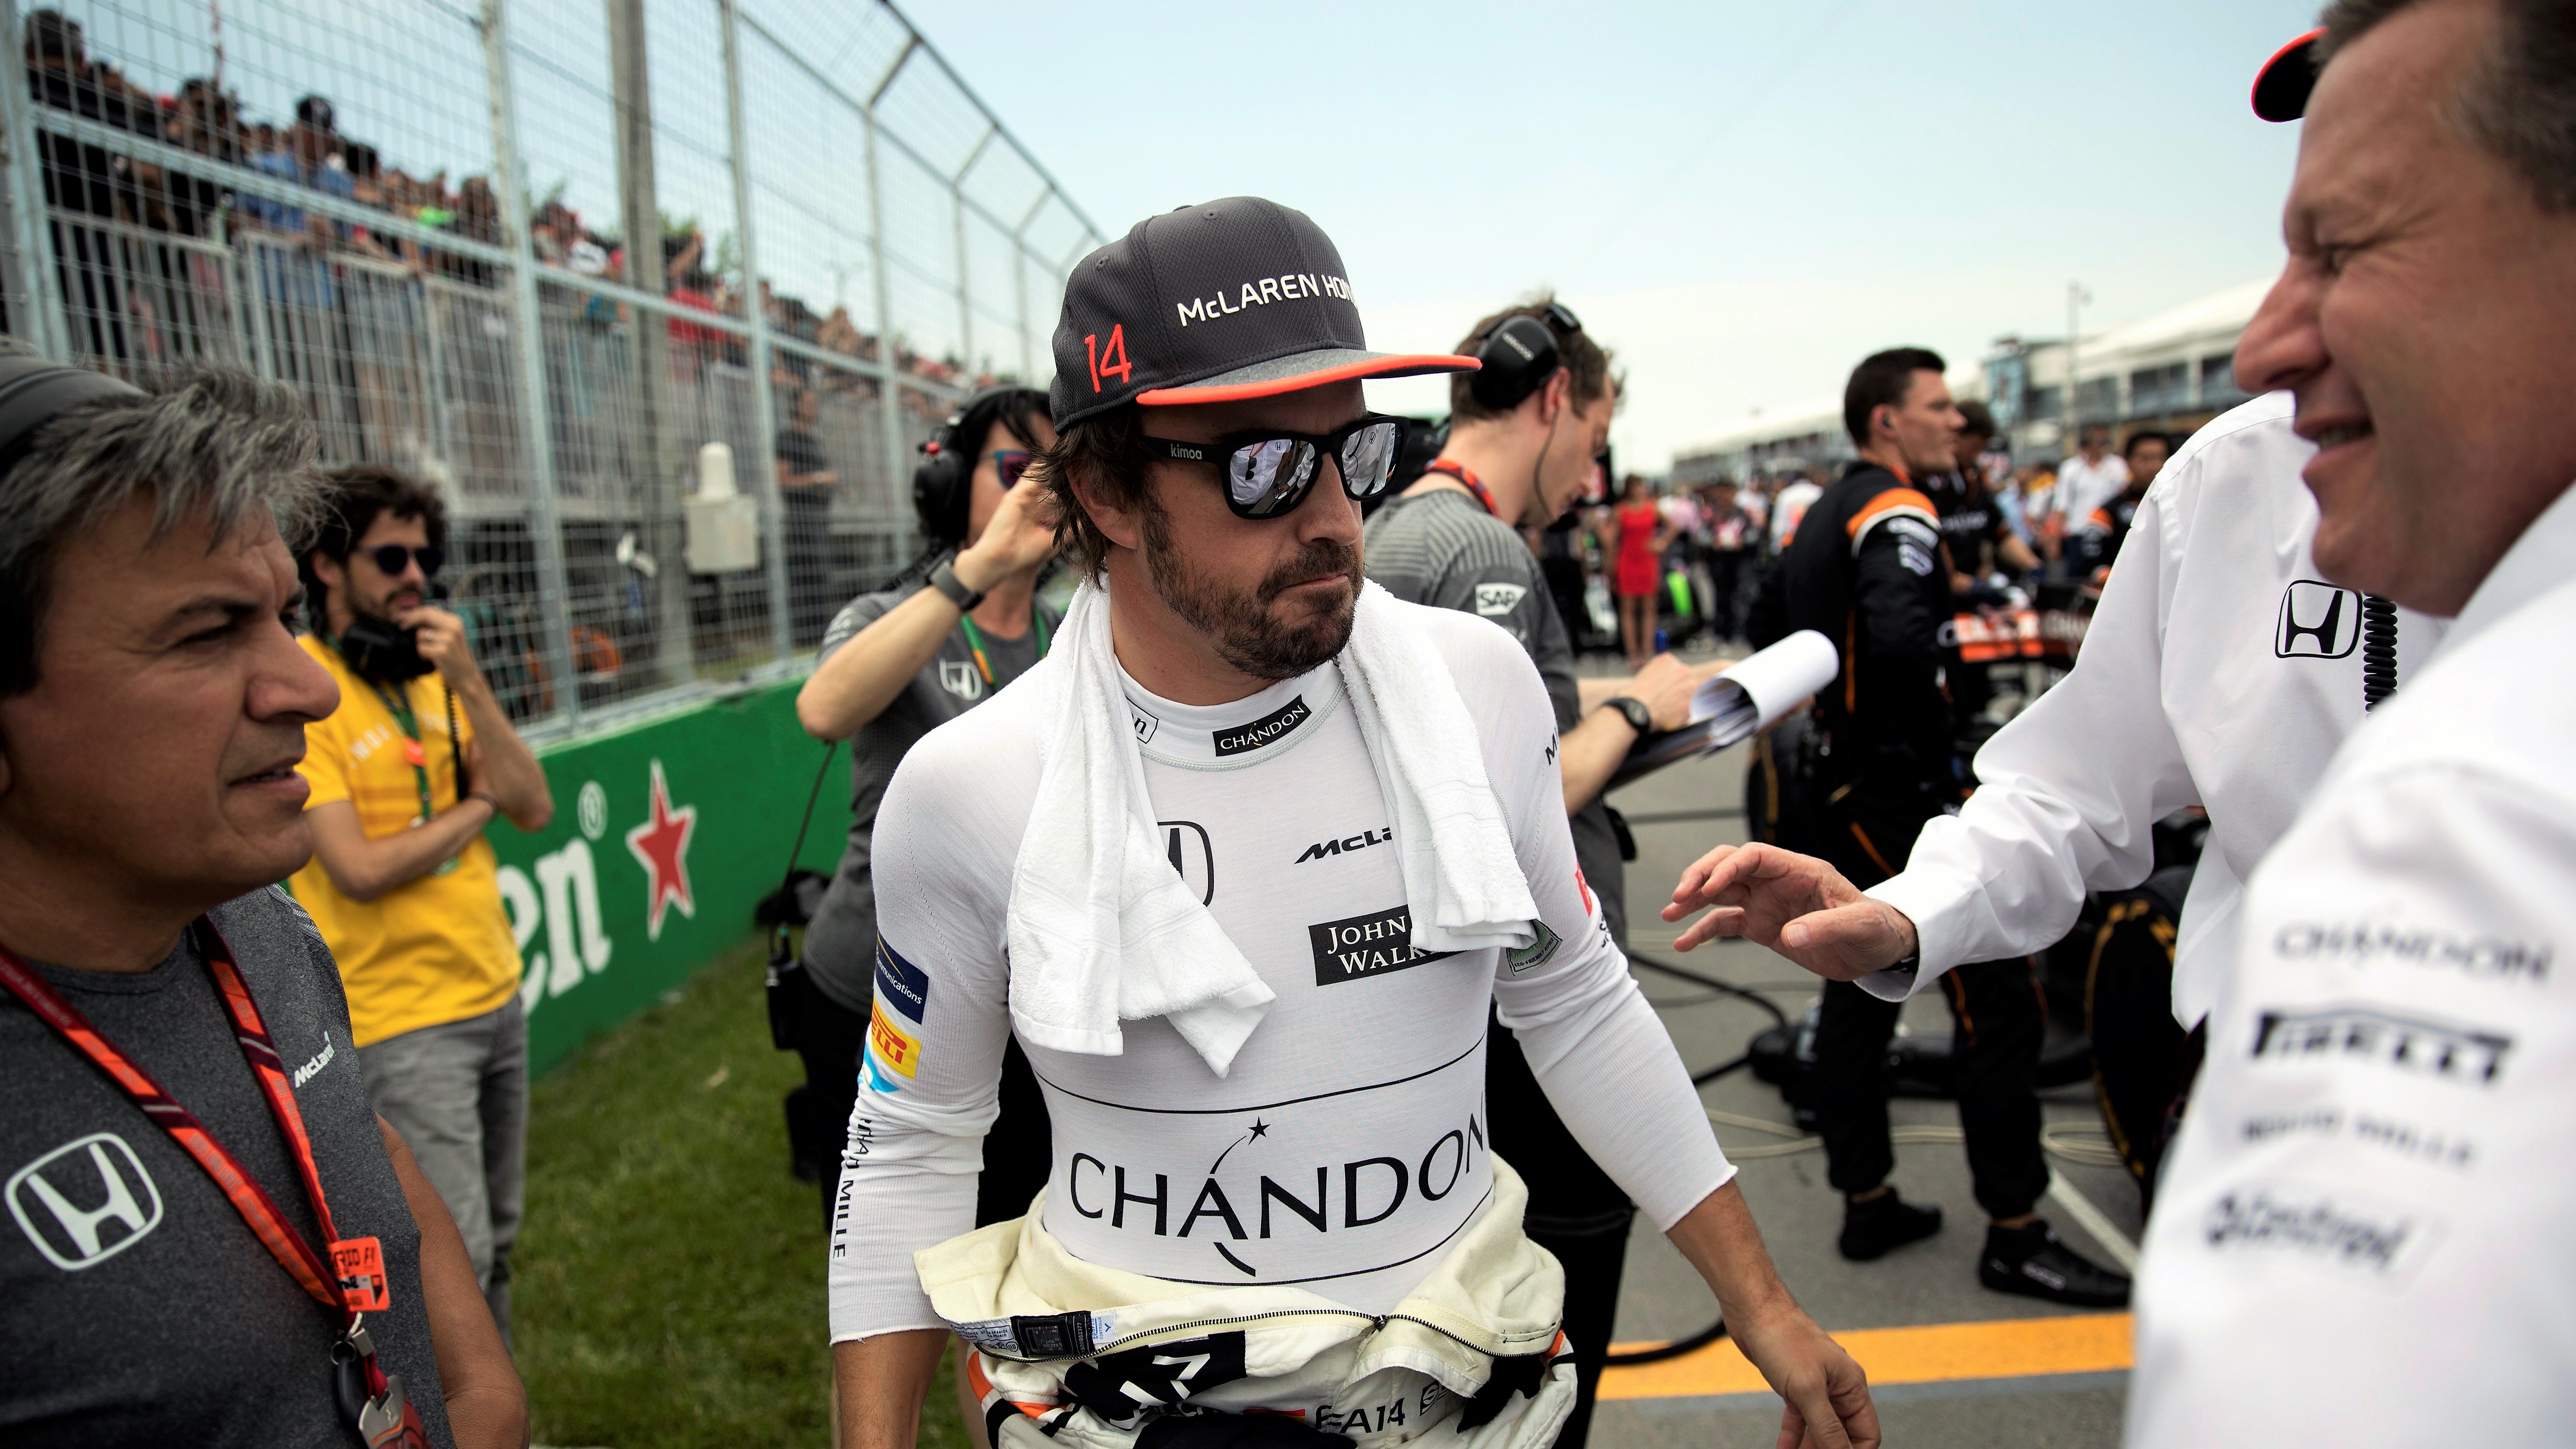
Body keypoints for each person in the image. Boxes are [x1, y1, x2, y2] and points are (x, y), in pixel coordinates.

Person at [828, 196, 1875, 1449]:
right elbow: (912, 1141)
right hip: (1136, 1412)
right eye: (1263, 466)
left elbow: (1574, 998)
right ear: (1103, 489)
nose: (1332, 515)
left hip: (1471, 1393)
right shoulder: (970, 787)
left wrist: (1760, 1302)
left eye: (1356, 451)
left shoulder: (1475, 689)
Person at [2129, 5, 2576, 1441]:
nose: (2261, 345)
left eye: (2344, 248)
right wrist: (1916, 914)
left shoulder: (2479, 809)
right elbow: (2089, 769)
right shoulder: (2227, 481)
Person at [0, 356, 524, 1445]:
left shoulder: (260, 923)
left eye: (283, 616)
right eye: (207, 632)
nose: (309, 686)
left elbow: (356, 1140)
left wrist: (484, 1394)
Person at [1360, 295, 1703, 1447]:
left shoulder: (1396, 525)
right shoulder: (1478, 549)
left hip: (1442, 1011)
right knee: (1546, 1347)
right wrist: (1631, 711)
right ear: (1554, 397)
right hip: (1515, 1009)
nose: (1590, 475)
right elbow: (1511, 801)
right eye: (1594, 440)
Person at [1756, 347, 2128, 1305]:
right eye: (1937, 407)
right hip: (1893, 788)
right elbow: (1896, 640)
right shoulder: (1897, 505)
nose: (1954, 422)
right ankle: (2015, 1228)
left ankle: (1866, 1198)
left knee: (1853, 983)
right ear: (1887, 421)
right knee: (1998, 998)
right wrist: (1939, 741)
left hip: (1831, 781)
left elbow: (1774, 617)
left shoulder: (1821, 509)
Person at [291, 463, 555, 1348]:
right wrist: (475, 808)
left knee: (499, 1242)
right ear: (327, 565)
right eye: (390, 557)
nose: (415, 576)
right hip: (402, 1020)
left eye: (426, 557)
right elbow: (359, 868)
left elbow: (533, 805)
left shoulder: (433, 673)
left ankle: (502, 1408)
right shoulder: (307, 686)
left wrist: (471, 681)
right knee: (456, 1261)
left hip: (493, 991)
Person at [1923, 400, 2039, 592]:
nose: (1977, 455)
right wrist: (1978, 588)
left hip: (1973, 587)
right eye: (1974, 448)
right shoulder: (1929, 482)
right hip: (1942, 590)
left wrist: (2034, 567)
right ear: (1955, 437)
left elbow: (2000, 533)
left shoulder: (1976, 479)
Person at [776, 386, 840, 647]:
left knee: (820, 577)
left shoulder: (813, 440)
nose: (814, 408)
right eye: (808, 403)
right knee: (802, 577)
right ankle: (802, 638)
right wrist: (818, 479)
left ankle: (820, 635)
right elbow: (783, 480)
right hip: (799, 520)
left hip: (819, 519)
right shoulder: (787, 438)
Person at [2066, 431, 2169, 581]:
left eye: (2160, 458)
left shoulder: (2179, 504)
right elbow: (2094, 561)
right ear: (2127, 461)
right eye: (2145, 459)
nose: (2154, 466)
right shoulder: (2107, 512)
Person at [2047, 424, 2128, 570]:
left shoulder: (2118, 466)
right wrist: (2055, 541)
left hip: (2109, 534)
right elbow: (2061, 505)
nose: (2102, 444)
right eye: (2097, 440)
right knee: (2080, 577)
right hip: (2079, 534)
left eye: (2104, 440)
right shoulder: (2070, 468)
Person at [1611, 475, 1668, 665]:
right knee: (1628, 608)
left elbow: (1673, 527)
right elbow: (1612, 538)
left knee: (1649, 607)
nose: (1640, 490)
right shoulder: (1621, 510)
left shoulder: (1653, 507)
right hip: (1627, 560)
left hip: (1647, 560)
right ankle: (1632, 654)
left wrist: (1661, 542)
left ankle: (1647, 652)